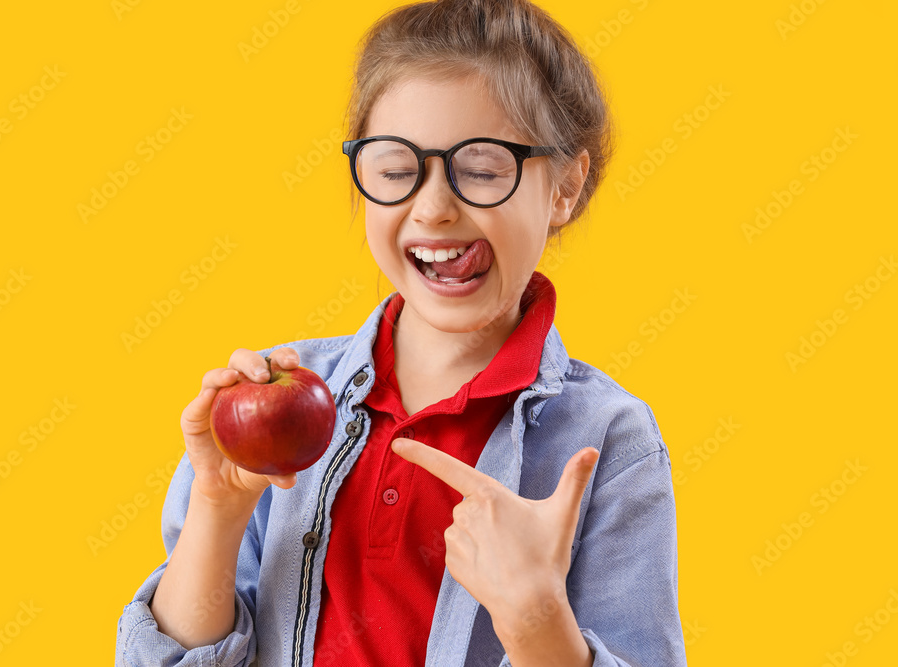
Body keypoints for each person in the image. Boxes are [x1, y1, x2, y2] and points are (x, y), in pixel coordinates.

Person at [115, 0, 686, 665]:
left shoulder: (607, 440)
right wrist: (216, 507)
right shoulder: (287, 403)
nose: (435, 208)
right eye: (394, 170)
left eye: (480, 169)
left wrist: (536, 619)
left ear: (564, 185)